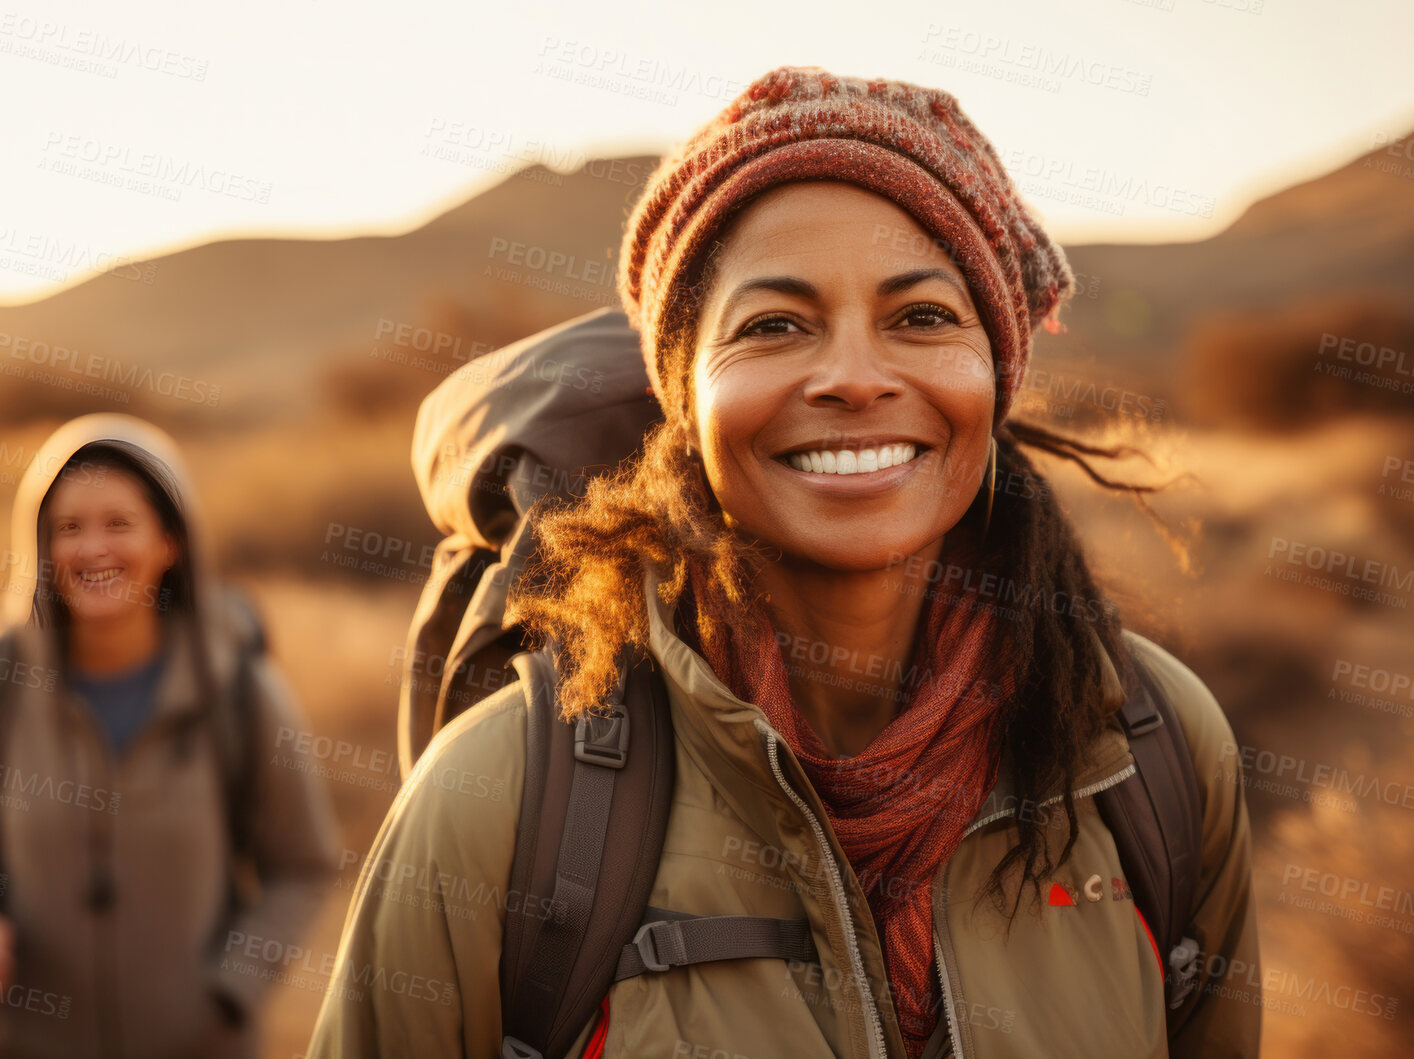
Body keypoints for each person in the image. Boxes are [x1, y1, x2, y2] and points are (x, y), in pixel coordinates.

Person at [309, 68, 1258, 1059]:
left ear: (995, 374)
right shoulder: (500, 798)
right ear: (686, 402)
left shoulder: (1155, 759)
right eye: (772, 326)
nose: (850, 376)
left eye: (921, 317)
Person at [0, 413, 341, 1059]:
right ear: (39, 547)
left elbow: (302, 864)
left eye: (118, 523)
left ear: (170, 541)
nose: (92, 549)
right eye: (68, 527)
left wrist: (230, 992)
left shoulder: (239, 687)